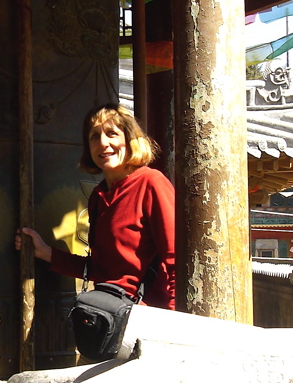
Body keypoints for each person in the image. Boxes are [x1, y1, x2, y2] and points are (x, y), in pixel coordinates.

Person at [16, 103, 175, 309]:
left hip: (148, 318)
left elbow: (175, 259)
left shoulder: (151, 183)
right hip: (110, 315)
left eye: (112, 133)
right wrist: (45, 252)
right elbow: (101, 269)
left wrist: (176, 320)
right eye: (94, 136)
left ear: (130, 139)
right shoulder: (99, 196)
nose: (103, 143)